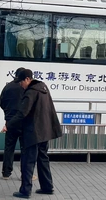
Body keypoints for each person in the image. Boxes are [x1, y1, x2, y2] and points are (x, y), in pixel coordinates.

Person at [7, 68, 63, 198]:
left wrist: (9, 125)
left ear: (27, 79)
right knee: (43, 158)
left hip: (33, 132)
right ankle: (47, 187)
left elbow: (22, 113)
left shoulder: (31, 92)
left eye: (21, 82)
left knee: (28, 161)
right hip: (45, 131)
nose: (21, 85)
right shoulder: (43, 87)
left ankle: (25, 191)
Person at [0, 67, 26, 180]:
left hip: (10, 121)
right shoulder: (25, 87)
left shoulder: (8, 86)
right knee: (25, 148)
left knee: (9, 147)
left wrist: (8, 113)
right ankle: (24, 174)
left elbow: (1, 102)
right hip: (23, 121)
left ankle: (6, 173)